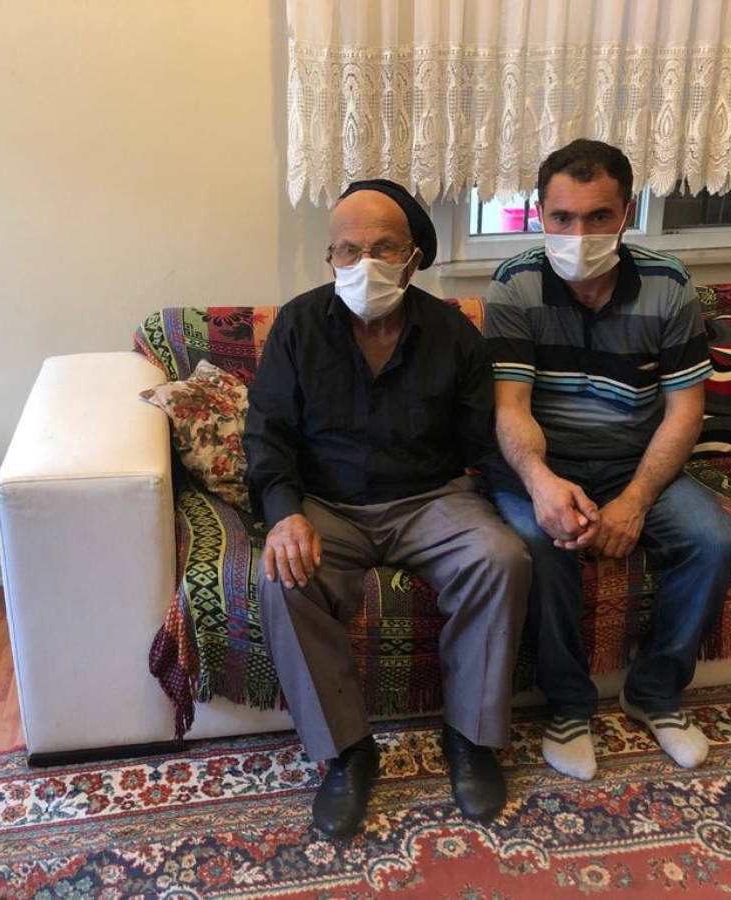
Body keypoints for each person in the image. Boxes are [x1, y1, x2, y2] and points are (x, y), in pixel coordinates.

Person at [244, 179, 531, 837]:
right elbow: (268, 433)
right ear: (330, 258)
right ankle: (348, 751)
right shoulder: (298, 325)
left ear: (413, 257)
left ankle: (471, 738)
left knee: (502, 558)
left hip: (430, 498)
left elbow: (481, 442)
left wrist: (535, 490)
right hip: (328, 504)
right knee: (283, 577)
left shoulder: (453, 332)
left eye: (383, 248)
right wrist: (284, 513)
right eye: (348, 250)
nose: (364, 263)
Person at [485, 139, 731, 781]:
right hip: (545, 462)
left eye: (599, 216)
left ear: (627, 213)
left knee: (715, 542)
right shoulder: (515, 284)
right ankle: (568, 706)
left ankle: (653, 693)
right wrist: (541, 484)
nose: (579, 235)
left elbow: (685, 413)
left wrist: (633, 502)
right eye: (563, 217)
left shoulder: (668, 285)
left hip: (635, 461)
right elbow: (510, 406)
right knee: (537, 548)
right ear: (539, 214)